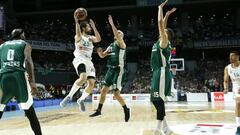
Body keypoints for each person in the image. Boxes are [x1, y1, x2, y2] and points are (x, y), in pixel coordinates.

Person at [0, 29, 42, 135]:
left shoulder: (2, 46)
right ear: (22, 35)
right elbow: (28, 61)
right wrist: (32, 83)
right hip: (18, 77)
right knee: (30, 114)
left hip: (3, 77)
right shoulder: (25, 44)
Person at [89, 15, 130, 122]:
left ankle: (126, 109)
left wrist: (112, 24)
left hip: (118, 70)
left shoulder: (122, 44)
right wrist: (99, 53)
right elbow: (102, 56)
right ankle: (99, 110)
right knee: (103, 90)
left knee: (116, 94)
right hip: (110, 70)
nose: (118, 33)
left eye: (120, 33)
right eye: (118, 33)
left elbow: (116, 33)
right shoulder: (111, 45)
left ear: (121, 36)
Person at [60, 10, 101, 112]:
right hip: (80, 59)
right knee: (83, 78)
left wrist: (94, 27)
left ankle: (81, 100)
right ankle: (69, 96)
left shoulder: (91, 38)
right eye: (88, 26)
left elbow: (99, 39)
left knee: (91, 84)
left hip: (89, 61)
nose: (89, 28)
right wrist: (76, 21)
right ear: (83, 28)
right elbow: (78, 32)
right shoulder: (78, 37)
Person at [150, 0, 176, 134]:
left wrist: (160, 8)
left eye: (164, 32)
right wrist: (167, 15)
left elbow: (160, 24)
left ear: (166, 35)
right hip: (157, 73)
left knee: (158, 101)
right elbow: (163, 24)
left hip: (161, 73)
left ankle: (158, 130)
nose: (161, 31)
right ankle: (166, 128)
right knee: (155, 100)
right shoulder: (161, 41)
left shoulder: (164, 42)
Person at [224, 51, 240, 135]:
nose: (230, 58)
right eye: (230, 56)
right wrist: (225, 88)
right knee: (238, 102)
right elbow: (226, 80)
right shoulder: (227, 68)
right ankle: (238, 126)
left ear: (238, 57)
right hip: (236, 86)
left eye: (233, 56)